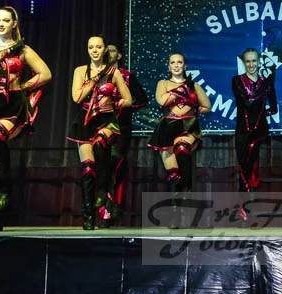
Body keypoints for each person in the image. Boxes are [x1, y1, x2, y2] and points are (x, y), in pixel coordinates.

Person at [0, 6, 51, 232]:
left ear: (14, 23)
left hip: (12, 103)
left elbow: (45, 74)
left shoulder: (23, 50)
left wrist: (23, 87)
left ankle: (5, 191)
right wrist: (6, 51)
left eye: (6, 20)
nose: (1, 24)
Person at [70, 35, 132, 230]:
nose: (94, 50)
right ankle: (88, 214)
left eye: (98, 47)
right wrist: (93, 81)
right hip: (85, 120)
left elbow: (128, 99)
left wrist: (113, 102)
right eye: (91, 47)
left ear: (105, 49)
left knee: (100, 145)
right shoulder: (80, 71)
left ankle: (102, 193)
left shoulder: (114, 72)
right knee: (88, 169)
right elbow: (76, 97)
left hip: (106, 120)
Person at [149, 54, 211, 200]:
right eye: (173, 62)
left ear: (185, 65)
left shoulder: (194, 85)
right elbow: (162, 101)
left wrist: (192, 111)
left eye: (179, 62)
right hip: (168, 127)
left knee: (182, 147)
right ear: (168, 66)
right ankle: (177, 199)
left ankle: (187, 189)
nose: (176, 65)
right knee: (174, 174)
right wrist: (182, 89)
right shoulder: (163, 83)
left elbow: (207, 106)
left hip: (188, 126)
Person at [103, 44, 148, 226]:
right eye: (106, 50)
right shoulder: (95, 75)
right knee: (98, 166)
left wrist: (126, 108)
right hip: (99, 126)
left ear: (120, 56)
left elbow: (142, 100)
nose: (108, 53)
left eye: (112, 50)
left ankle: (112, 208)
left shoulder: (127, 77)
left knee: (115, 162)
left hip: (121, 128)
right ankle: (101, 209)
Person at [231, 47, 278, 202]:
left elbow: (274, 109)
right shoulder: (237, 80)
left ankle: (245, 200)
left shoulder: (267, 82)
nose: (251, 64)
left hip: (259, 130)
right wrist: (264, 88)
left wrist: (262, 114)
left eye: (254, 61)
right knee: (243, 164)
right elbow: (246, 103)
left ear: (259, 62)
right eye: (248, 61)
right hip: (243, 129)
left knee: (250, 163)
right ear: (244, 63)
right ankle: (245, 199)